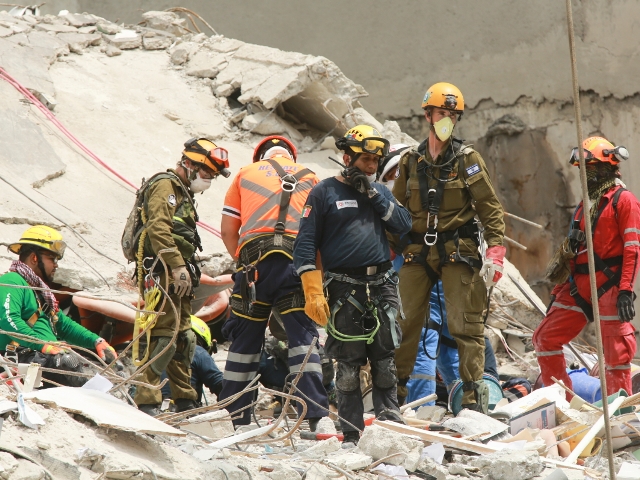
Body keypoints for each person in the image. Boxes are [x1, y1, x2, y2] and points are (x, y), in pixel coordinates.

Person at [390, 82, 506, 413]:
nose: (446, 120)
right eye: (441, 113)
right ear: (427, 115)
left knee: (464, 326)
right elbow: (396, 210)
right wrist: (385, 250)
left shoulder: (468, 159)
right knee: (405, 322)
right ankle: (393, 396)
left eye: (452, 115)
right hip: (416, 251)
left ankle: (472, 401)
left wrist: (496, 249)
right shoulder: (411, 161)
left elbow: (489, 206)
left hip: (457, 248)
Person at [294, 125, 412, 445]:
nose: (372, 167)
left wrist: (373, 193)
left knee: (384, 355)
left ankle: (389, 417)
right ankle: (350, 429)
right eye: (366, 161)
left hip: (381, 282)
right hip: (345, 287)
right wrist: (313, 290)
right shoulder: (324, 192)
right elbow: (305, 245)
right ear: (347, 157)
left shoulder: (379, 193)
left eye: (376, 161)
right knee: (347, 359)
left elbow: (403, 225)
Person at [218, 136, 329, 428]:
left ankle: (234, 417)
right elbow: (320, 237)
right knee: (303, 339)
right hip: (297, 260)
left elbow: (229, 231)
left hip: (255, 265)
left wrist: (243, 262)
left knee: (245, 339)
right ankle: (316, 416)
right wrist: (313, 277)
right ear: (291, 157)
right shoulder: (313, 178)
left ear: (261, 157)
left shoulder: (245, 173)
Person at [534, 136, 639, 398]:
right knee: (545, 338)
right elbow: (572, 252)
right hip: (578, 285)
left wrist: (626, 289)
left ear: (606, 167)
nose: (584, 175)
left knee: (616, 353)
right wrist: (558, 293)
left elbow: (632, 248)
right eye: (582, 169)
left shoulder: (623, 201)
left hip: (609, 285)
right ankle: (563, 404)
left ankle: (619, 414)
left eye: (589, 169)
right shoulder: (586, 206)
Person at [133, 138, 231, 416]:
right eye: (207, 173)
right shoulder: (166, 185)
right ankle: (147, 400)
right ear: (188, 164)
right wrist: (176, 266)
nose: (209, 180)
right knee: (163, 334)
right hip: (162, 272)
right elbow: (158, 229)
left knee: (183, 337)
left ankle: (185, 397)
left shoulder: (181, 190)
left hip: (177, 274)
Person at [0, 226, 117, 387]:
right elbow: (8, 320)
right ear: (34, 258)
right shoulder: (13, 280)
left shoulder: (40, 292)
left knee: (94, 372)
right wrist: (44, 345)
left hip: (40, 358)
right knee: (67, 361)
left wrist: (96, 341)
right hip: (19, 358)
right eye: (52, 259)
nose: (56, 265)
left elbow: (63, 325)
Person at [406, 281, 499, 405]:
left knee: (424, 348)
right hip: (458, 283)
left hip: (428, 281)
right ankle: (462, 406)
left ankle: (420, 409)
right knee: (450, 347)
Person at [161, 316, 222, 406]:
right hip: (183, 410)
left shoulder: (154, 352)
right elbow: (221, 386)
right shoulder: (199, 352)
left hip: (149, 412)